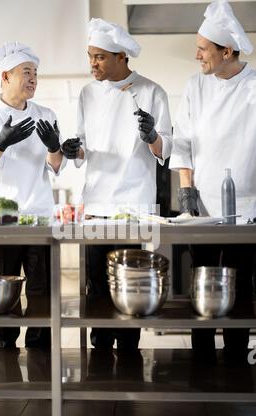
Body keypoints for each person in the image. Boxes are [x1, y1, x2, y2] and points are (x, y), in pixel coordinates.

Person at [61, 18, 172, 351]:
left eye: (99, 57)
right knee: (96, 283)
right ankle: (99, 349)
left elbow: (165, 149)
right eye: (90, 56)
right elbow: (83, 145)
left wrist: (152, 136)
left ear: (121, 56)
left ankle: (128, 351)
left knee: (129, 281)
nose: (92, 64)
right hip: (96, 203)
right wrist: (73, 150)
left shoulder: (152, 91)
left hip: (133, 207)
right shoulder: (87, 93)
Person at [169, 1, 256, 362]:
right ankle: (202, 359)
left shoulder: (254, 87)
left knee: (240, 284)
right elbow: (184, 141)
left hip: (248, 207)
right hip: (201, 206)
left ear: (227, 51)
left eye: (203, 49)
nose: (197, 56)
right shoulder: (195, 86)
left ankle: (236, 360)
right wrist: (186, 189)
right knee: (201, 283)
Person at [0, 41, 66, 348]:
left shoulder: (45, 113)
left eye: (35, 72)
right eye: (26, 72)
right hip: (2, 221)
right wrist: (0, 143)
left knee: (41, 293)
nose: (33, 78)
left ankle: (41, 353)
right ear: (5, 76)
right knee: (3, 291)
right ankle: (2, 351)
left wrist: (54, 147)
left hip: (39, 217)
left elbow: (56, 166)